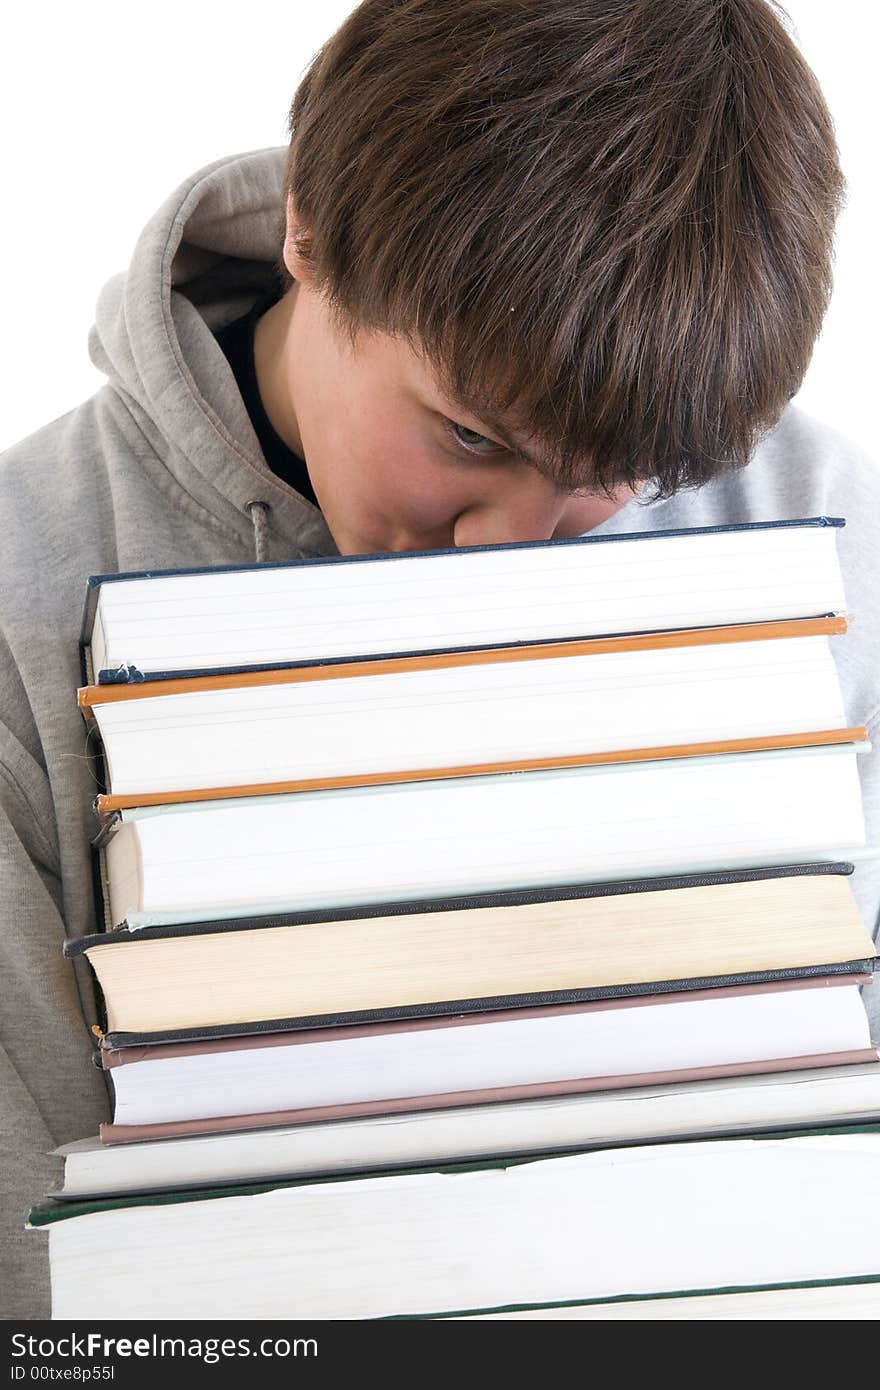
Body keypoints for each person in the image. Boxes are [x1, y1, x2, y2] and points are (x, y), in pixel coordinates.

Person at [1, 0, 878, 1318]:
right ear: (310, 230)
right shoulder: (24, 592)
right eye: (466, 436)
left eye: (614, 481)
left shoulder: (821, 537)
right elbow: (47, 1267)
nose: (508, 550)